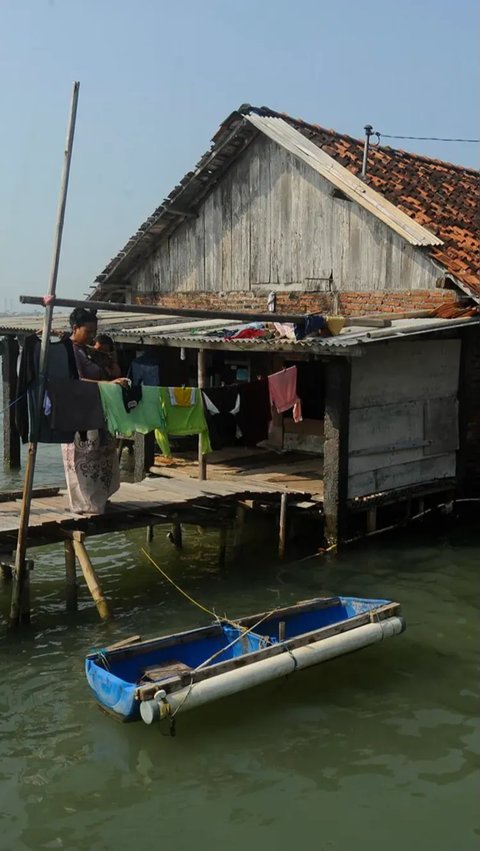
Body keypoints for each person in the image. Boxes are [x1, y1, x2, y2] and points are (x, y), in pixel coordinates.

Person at [61, 308, 129, 515]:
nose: (92, 336)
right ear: (75, 328)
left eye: (94, 332)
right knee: (84, 459)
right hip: (79, 414)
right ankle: (86, 504)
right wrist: (107, 384)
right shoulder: (68, 350)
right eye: (88, 331)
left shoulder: (86, 350)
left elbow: (111, 370)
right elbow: (75, 381)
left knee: (102, 456)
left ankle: (100, 500)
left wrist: (111, 367)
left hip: (97, 410)